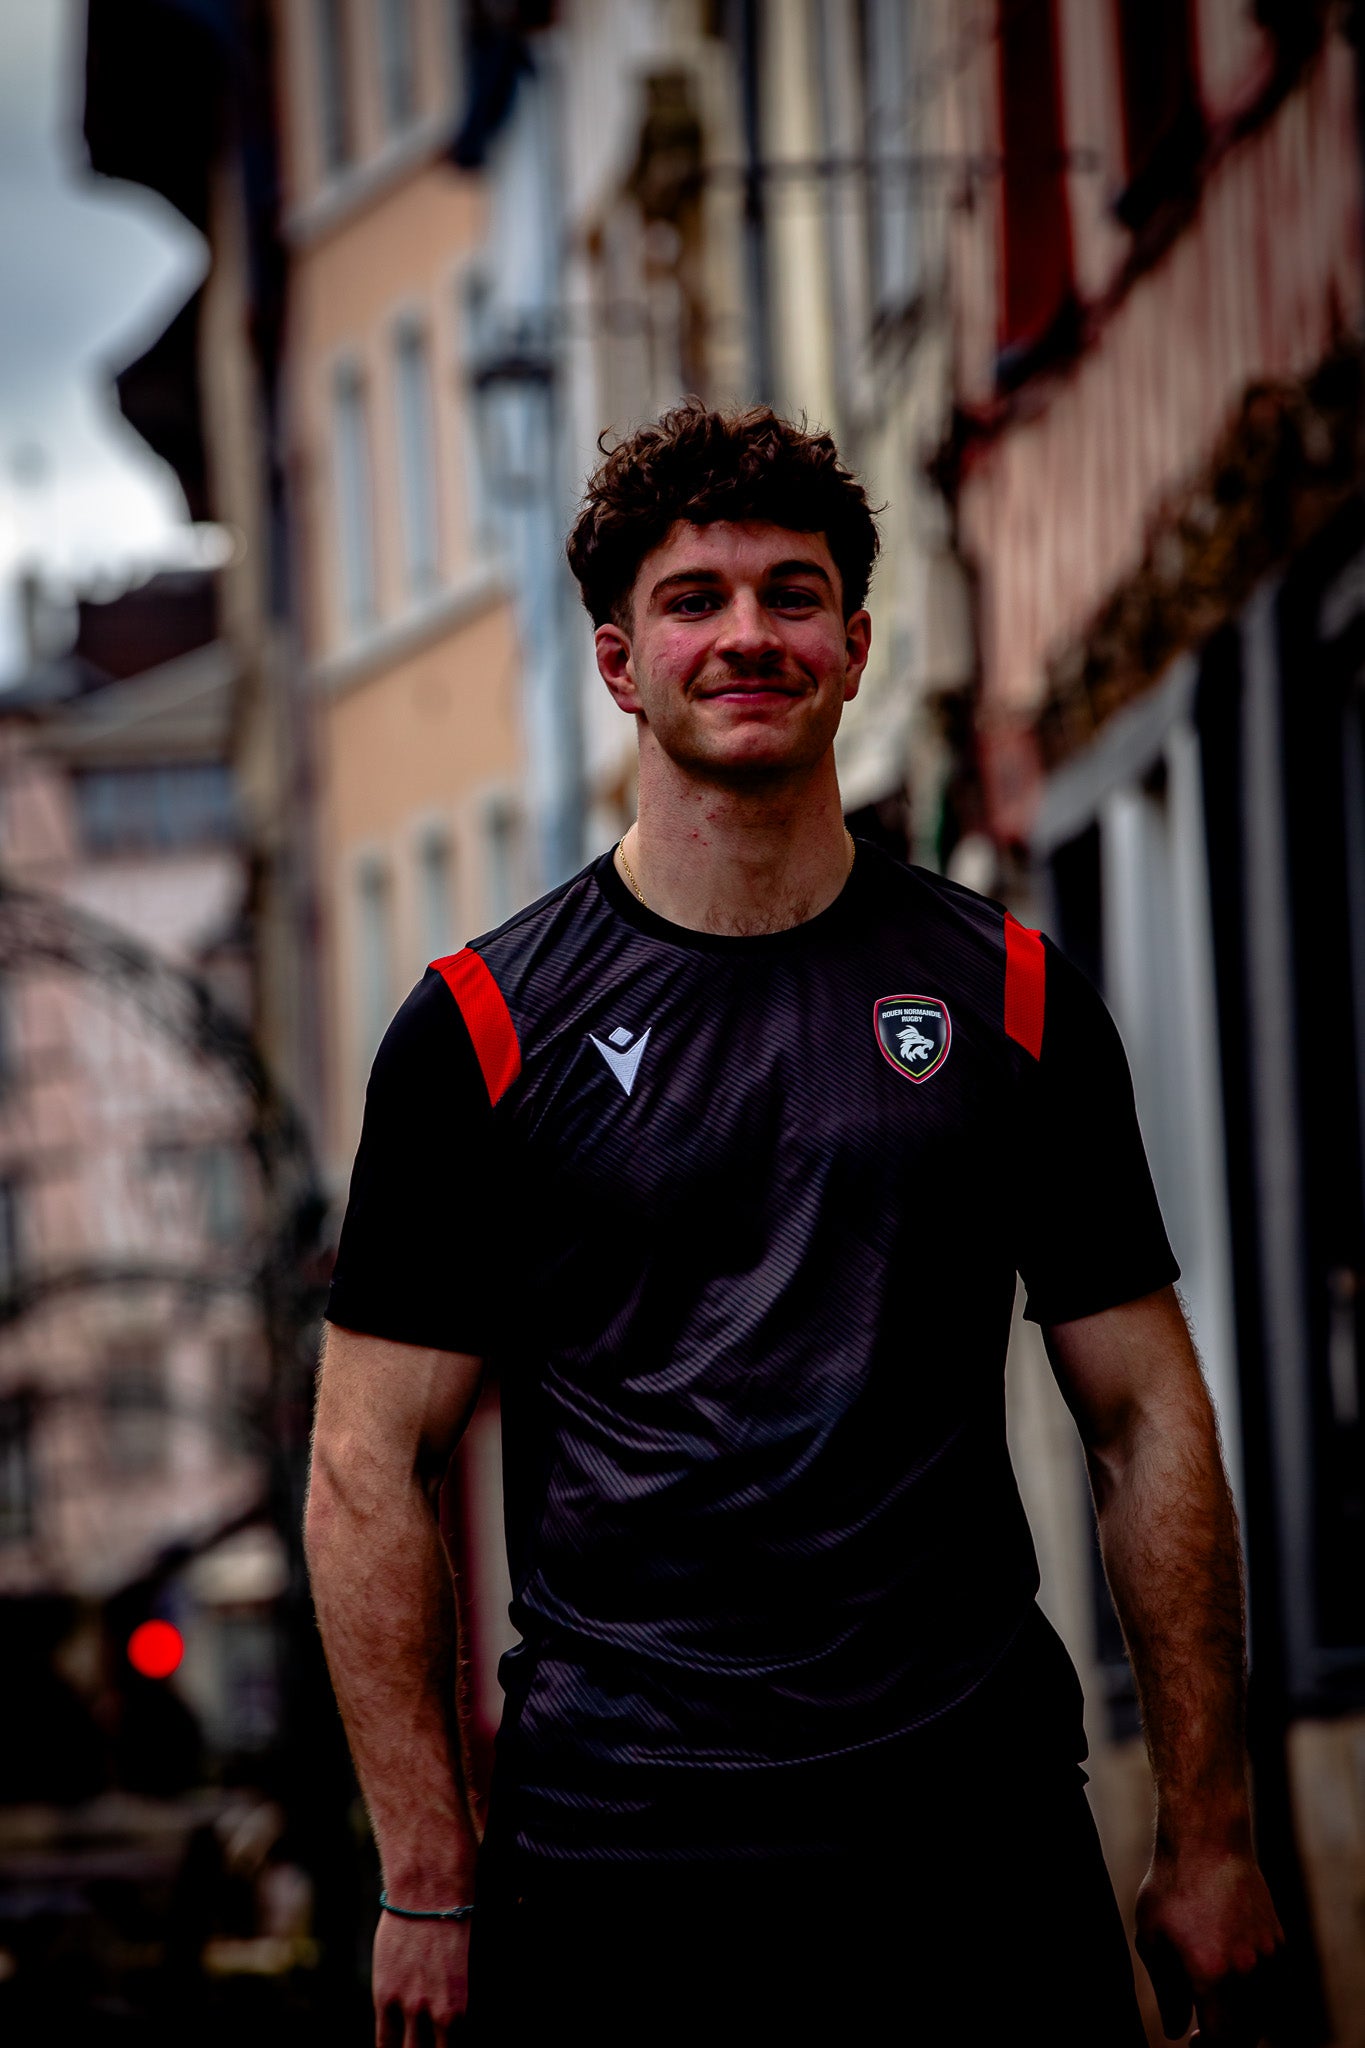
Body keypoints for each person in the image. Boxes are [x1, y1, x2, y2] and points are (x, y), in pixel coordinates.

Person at [307, 403, 1283, 2045]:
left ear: (854, 646)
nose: (746, 633)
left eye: (791, 592)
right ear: (619, 664)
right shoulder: (479, 1028)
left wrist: (1210, 1832)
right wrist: (424, 1870)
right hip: (626, 1851)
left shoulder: (1013, 996)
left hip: (967, 1825)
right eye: (694, 600)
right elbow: (366, 1467)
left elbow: (1142, 1416)